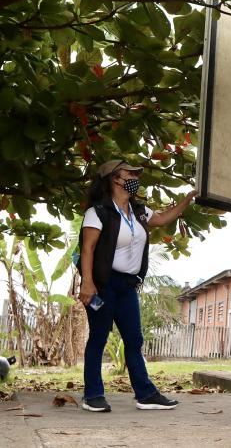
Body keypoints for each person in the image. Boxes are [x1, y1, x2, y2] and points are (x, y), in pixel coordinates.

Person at [78, 159, 196, 413]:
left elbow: (162, 219)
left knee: (134, 339)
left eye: (135, 174)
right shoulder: (98, 212)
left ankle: (146, 394)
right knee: (98, 337)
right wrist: (87, 283)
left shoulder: (139, 211)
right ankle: (93, 395)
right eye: (129, 174)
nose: (135, 178)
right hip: (103, 285)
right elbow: (87, 249)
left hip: (127, 285)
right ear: (114, 179)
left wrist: (187, 200)